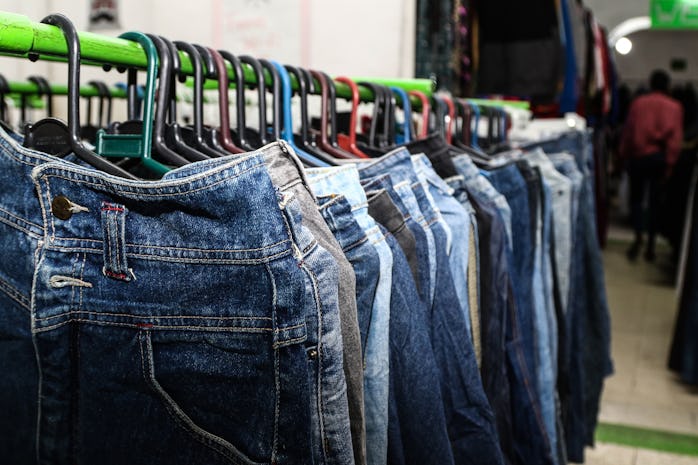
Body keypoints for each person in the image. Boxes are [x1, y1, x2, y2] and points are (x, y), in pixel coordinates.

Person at [620, 69, 683, 261]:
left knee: (637, 200)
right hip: (659, 158)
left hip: (638, 157)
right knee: (656, 202)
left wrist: (622, 155)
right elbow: (675, 139)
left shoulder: (638, 104)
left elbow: (629, 132)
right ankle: (651, 245)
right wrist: (671, 164)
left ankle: (638, 237)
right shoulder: (674, 107)